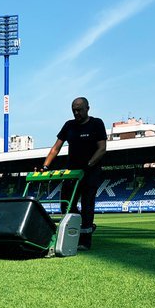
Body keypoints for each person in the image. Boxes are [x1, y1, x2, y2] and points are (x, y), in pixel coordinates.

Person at [42, 97, 107, 249]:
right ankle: (80, 227)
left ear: (87, 109)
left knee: (87, 203)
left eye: (79, 110)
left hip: (90, 171)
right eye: (74, 110)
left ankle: (85, 240)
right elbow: (56, 148)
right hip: (72, 172)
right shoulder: (69, 125)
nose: (76, 113)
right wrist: (45, 166)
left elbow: (102, 148)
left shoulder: (96, 123)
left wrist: (88, 165)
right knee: (66, 204)